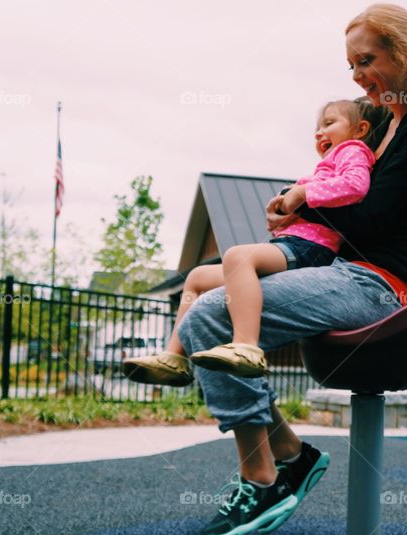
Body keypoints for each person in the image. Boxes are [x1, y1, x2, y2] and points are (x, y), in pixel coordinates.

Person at [179, 3, 407, 535]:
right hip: (338, 270)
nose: (357, 76)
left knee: (212, 313)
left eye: (366, 60)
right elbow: (336, 192)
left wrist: (304, 204)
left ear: (404, 53)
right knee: (205, 313)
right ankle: (291, 457)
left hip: (374, 285)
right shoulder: (382, 128)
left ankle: (264, 478)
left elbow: (370, 221)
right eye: (350, 65)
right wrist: (295, 206)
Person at [121, 97, 390, 386]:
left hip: (312, 250)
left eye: (329, 123)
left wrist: (302, 194)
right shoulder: (329, 162)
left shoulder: (352, 150)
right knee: (197, 277)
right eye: (317, 127)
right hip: (293, 245)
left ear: (360, 130)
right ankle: (174, 358)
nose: (319, 132)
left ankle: (246, 346)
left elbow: (355, 186)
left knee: (238, 257)